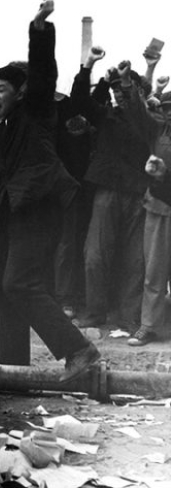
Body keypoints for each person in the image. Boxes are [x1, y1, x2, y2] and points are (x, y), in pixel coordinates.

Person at [0, 0, 99, 381]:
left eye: (1, 89)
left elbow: (43, 72)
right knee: (2, 292)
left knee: (19, 282)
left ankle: (79, 350)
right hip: (13, 212)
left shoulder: (34, 109)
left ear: (20, 91)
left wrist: (39, 28)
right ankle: (13, 372)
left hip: (39, 205)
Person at [74, 49, 158, 333]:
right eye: (115, 90)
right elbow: (80, 102)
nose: (118, 94)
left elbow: (138, 108)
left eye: (124, 89)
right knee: (95, 255)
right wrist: (90, 68)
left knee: (135, 260)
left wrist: (127, 83)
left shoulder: (150, 120)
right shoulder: (105, 115)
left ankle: (128, 317)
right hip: (107, 190)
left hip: (138, 193)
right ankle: (96, 312)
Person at [130, 92, 171, 345]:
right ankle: (150, 326)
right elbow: (136, 112)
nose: (169, 113)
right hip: (158, 207)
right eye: (166, 108)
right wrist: (125, 84)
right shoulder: (157, 131)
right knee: (154, 271)